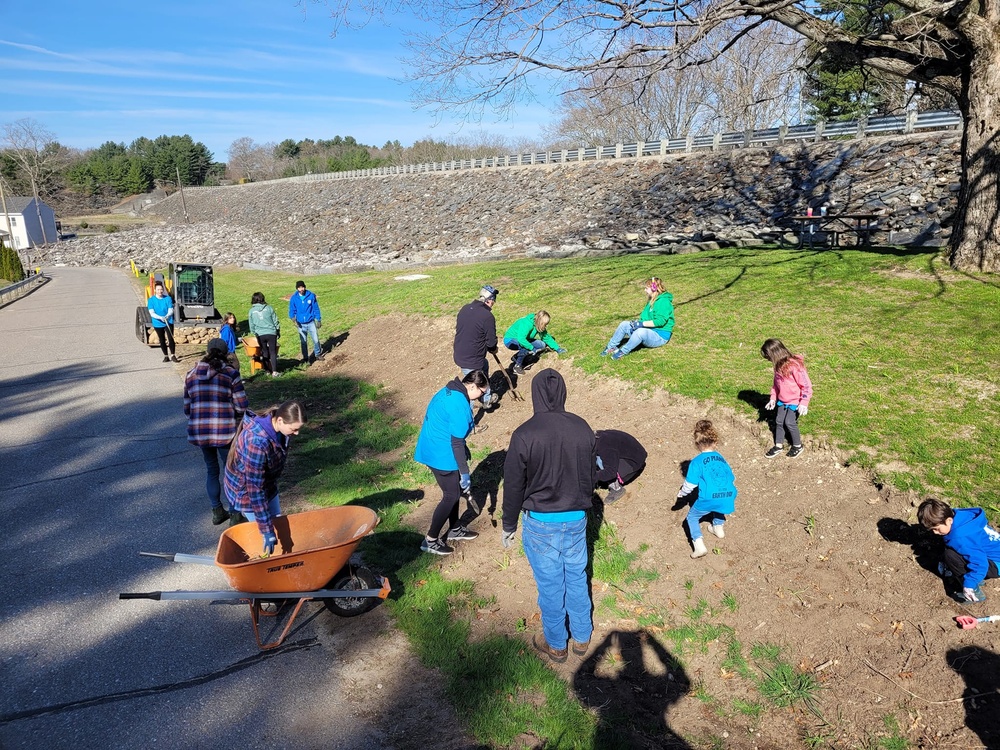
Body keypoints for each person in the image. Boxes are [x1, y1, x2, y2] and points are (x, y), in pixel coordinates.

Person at [502, 368, 596, 662]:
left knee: (551, 584)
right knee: (577, 577)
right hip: (577, 519)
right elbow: (591, 475)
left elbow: (514, 484)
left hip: (541, 522)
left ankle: (557, 643)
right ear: (563, 393)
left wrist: (508, 524)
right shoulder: (582, 427)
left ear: (535, 395)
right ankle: (582, 637)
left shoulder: (525, 434)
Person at [414, 370, 489, 555]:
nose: (482, 396)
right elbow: (456, 443)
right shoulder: (459, 405)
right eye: (481, 391)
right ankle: (430, 540)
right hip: (441, 454)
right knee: (451, 495)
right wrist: (464, 472)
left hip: (431, 446)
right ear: (472, 386)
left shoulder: (449, 391)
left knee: (454, 491)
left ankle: (455, 528)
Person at [224, 401, 308, 555]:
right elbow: (255, 491)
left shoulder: (279, 429)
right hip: (247, 494)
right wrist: (266, 530)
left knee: (278, 521)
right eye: (294, 429)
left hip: (267, 484)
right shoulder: (256, 442)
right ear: (280, 420)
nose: (297, 434)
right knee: (261, 534)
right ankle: (264, 564)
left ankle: (283, 556)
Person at [183, 338, 249, 525]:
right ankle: (235, 513)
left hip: (201, 432)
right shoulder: (230, 374)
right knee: (232, 471)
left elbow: (187, 409)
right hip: (225, 431)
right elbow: (242, 406)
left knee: (212, 470)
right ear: (225, 352)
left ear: (207, 351)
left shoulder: (190, 375)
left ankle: (217, 511)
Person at [918, 498, 1000, 603]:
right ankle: (976, 577)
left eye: (937, 528)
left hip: (996, 565)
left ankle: (974, 592)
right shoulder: (961, 517)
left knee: (950, 556)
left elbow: (980, 563)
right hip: (992, 553)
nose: (935, 532)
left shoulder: (961, 539)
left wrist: (969, 584)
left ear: (949, 520)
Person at [676, 420, 738, 559]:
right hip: (729, 493)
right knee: (719, 505)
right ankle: (718, 528)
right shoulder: (721, 458)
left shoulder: (697, 462)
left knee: (691, 518)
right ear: (715, 442)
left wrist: (681, 494)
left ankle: (699, 545)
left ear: (697, 444)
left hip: (708, 497)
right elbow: (731, 476)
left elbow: (690, 485)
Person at [761, 338, 813, 459]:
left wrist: (804, 402)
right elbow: (776, 385)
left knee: (789, 422)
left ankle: (797, 445)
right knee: (779, 421)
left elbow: (806, 385)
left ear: (775, 354)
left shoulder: (795, 366)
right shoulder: (778, 367)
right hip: (782, 401)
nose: (769, 360)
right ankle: (778, 445)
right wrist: (773, 398)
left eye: (769, 357)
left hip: (795, 401)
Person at [600, 277, 674, 360]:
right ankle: (611, 347)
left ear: (654, 288)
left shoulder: (663, 302)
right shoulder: (652, 300)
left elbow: (660, 322)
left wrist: (640, 324)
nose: (645, 290)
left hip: (659, 336)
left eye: (646, 288)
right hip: (648, 331)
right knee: (624, 324)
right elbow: (645, 319)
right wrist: (637, 324)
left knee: (640, 332)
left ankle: (622, 351)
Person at [454, 285, 501, 410]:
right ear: (488, 300)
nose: (494, 303)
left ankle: (486, 398)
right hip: (472, 359)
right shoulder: (487, 317)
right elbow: (491, 342)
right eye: (493, 300)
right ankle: (468, 423)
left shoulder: (464, 309)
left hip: (460, 353)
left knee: (484, 365)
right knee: (471, 389)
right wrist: (493, 349)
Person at [503, 310, 567, 375]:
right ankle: (517, 366)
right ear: (540, 322)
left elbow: (546, 337)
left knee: (541, 345)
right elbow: (521, 339)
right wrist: (532, 348)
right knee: (525, 346)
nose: (546, 326)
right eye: (545, 324)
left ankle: (516, 356)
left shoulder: (539, 325)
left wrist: (557, 348)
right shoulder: (527, 324)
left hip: (523, 339)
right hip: (510, 340)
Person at [595, 429, 647, 504]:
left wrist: (591, 477)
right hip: (627, 454)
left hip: (633, 463)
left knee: (599, 460)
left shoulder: (604, 448)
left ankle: (617, 489)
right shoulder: (596, 438)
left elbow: (610, 472)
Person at [288, 280, 323, 364]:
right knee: (303, 342)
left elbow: (316, 308)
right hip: (300, 324)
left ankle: (317, 354)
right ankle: (305, 358)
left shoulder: (311, 296)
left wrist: (318, 319)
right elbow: (292, 310)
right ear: (297, 289)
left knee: (316, 339)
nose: (301, 289)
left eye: (302, 287)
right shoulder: (294, 298)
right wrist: (293, 319)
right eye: (299, 288)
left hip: (311, 322)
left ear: (305, 287)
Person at [248, 292, 281, 377]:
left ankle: (267, 370)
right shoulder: (269, 308)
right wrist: (277, 330)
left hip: (260, 334)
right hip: (271, 333)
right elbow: (275, 320)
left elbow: (251, 324)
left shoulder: (251, 311)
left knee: (264, 352)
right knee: (273, 352)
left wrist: (254, 332)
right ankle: (274, 371)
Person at [147, 281, 179, 363]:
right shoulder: (151, 300)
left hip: (168, 321)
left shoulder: (167, 299)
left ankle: (173, 355)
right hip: (158, 322)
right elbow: (152, 312)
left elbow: (170, 310)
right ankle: (165, 355)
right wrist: (160, 317)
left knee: (170, 338)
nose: (160, 291)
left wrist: (167, 316)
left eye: (161, 289)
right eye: (158, 290)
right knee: (162, 339)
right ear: (155, 290)